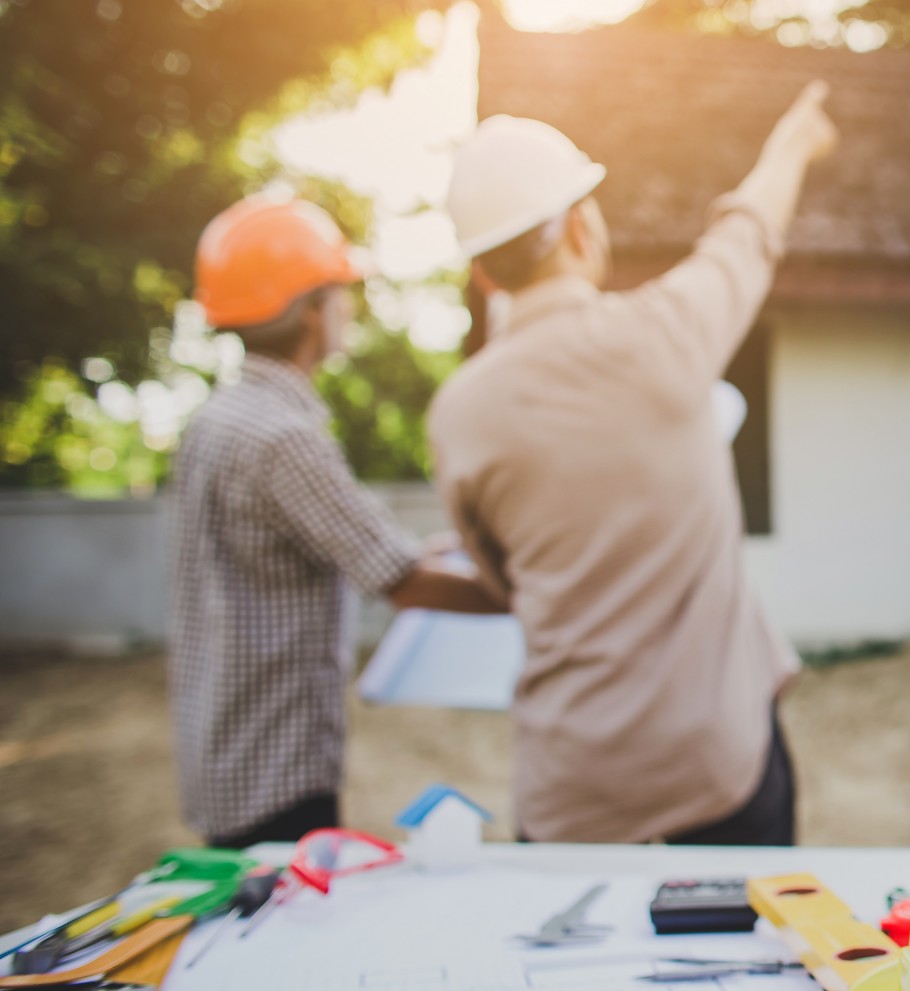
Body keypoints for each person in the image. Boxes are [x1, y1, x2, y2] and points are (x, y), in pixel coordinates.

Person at [428, 81, 838, 845]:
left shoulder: (458, 415)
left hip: (570, 791)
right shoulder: (666, 335)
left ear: (485, 273)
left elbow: (501, 580)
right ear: (582, 228)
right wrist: (792, 143)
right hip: (715, 768)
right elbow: (746, 233)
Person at [170, 196, 506, 850]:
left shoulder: (216, 421)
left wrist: (448, 548)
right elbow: (403, 582)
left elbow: (351, 545)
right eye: (340, 293)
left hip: (224, 751)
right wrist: (542, 599)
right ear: (308, 310)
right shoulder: (284, 437)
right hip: (275, 765)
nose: (349, 308)